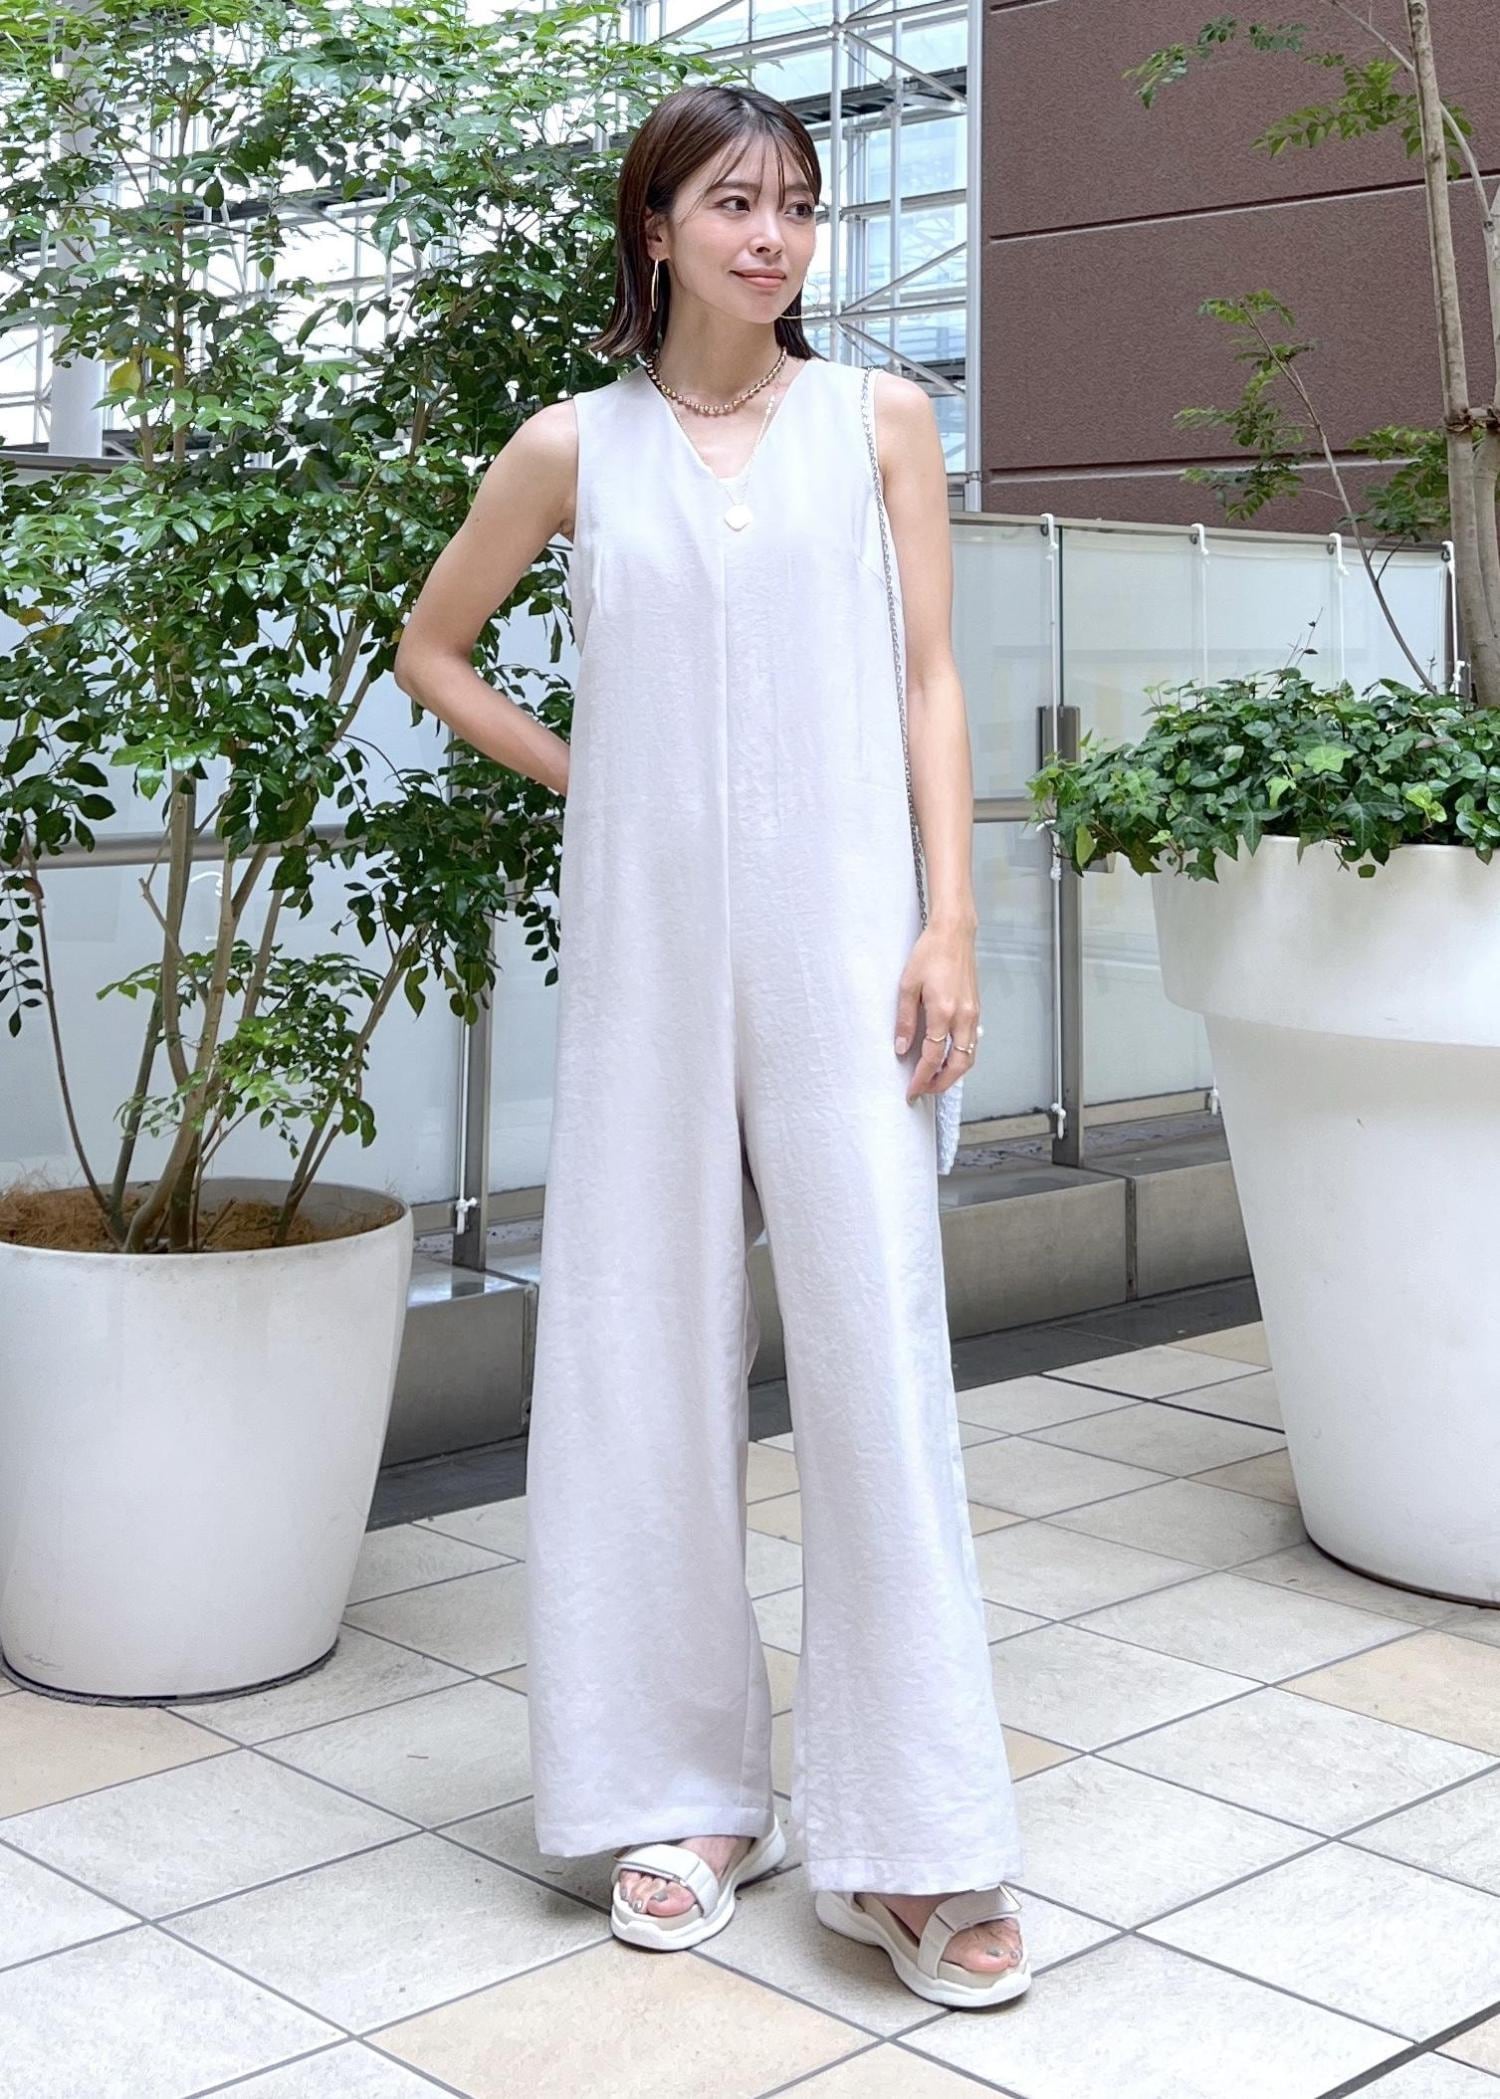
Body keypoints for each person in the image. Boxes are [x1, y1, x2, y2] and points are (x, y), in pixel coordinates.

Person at [393, 82, 1029, 2011]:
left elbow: (929, 677)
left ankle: (908, 1836)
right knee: (637, 1354)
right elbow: (434, 648)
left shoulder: (879, 421)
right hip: (653, 955)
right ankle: (677, 1793)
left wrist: (949, 917)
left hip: (853, 948)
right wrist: (600, 783)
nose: (774, 237)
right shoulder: (570, 446)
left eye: (800, 207)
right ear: (656, 226)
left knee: (876, 1359)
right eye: (735, 203)